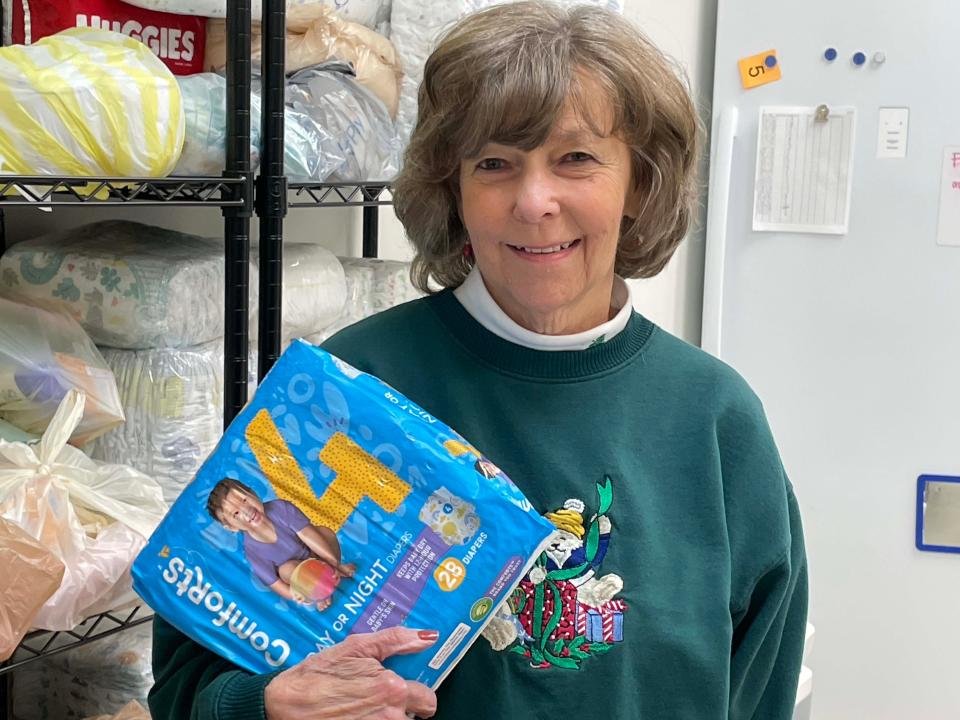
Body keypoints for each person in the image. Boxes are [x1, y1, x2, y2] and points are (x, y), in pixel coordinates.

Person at [148, 2, 808, 719]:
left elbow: (758, 691)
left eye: (576, 159)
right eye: (494, 163)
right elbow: (183, 691)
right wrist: (267, 706)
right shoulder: (346, 386)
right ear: (453, 191)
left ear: (641, 184)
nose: (534, 201)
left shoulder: (715, 423)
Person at [206, 478, 357, 610]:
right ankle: (321, 593)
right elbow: (275, 583)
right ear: (232, 527)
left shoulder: (280, 508)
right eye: (236, 514)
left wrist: (332, 562)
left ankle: (334, 570)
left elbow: (309, 535)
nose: (247, 511)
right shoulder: (252, 551)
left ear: (253, 492)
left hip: (314, 553)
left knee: (324, 533)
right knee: (286, 569)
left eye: (244, 500)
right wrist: (297, 595)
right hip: (300, 574)